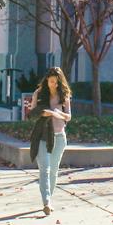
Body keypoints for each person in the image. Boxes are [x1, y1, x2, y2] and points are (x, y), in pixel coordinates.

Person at [25, 67, 73, 216]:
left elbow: (69, 117)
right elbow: (31, 114)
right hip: (43, 136)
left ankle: (49, 199)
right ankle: (46, 202)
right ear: (47, 80)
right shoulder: (38, 94)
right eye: (51, 81)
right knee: (44, 170)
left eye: (56, 82)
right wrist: (42, 112)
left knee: (53, 170)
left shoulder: (64, 96)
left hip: (59, 136)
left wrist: (56, 114)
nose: (54, 85)